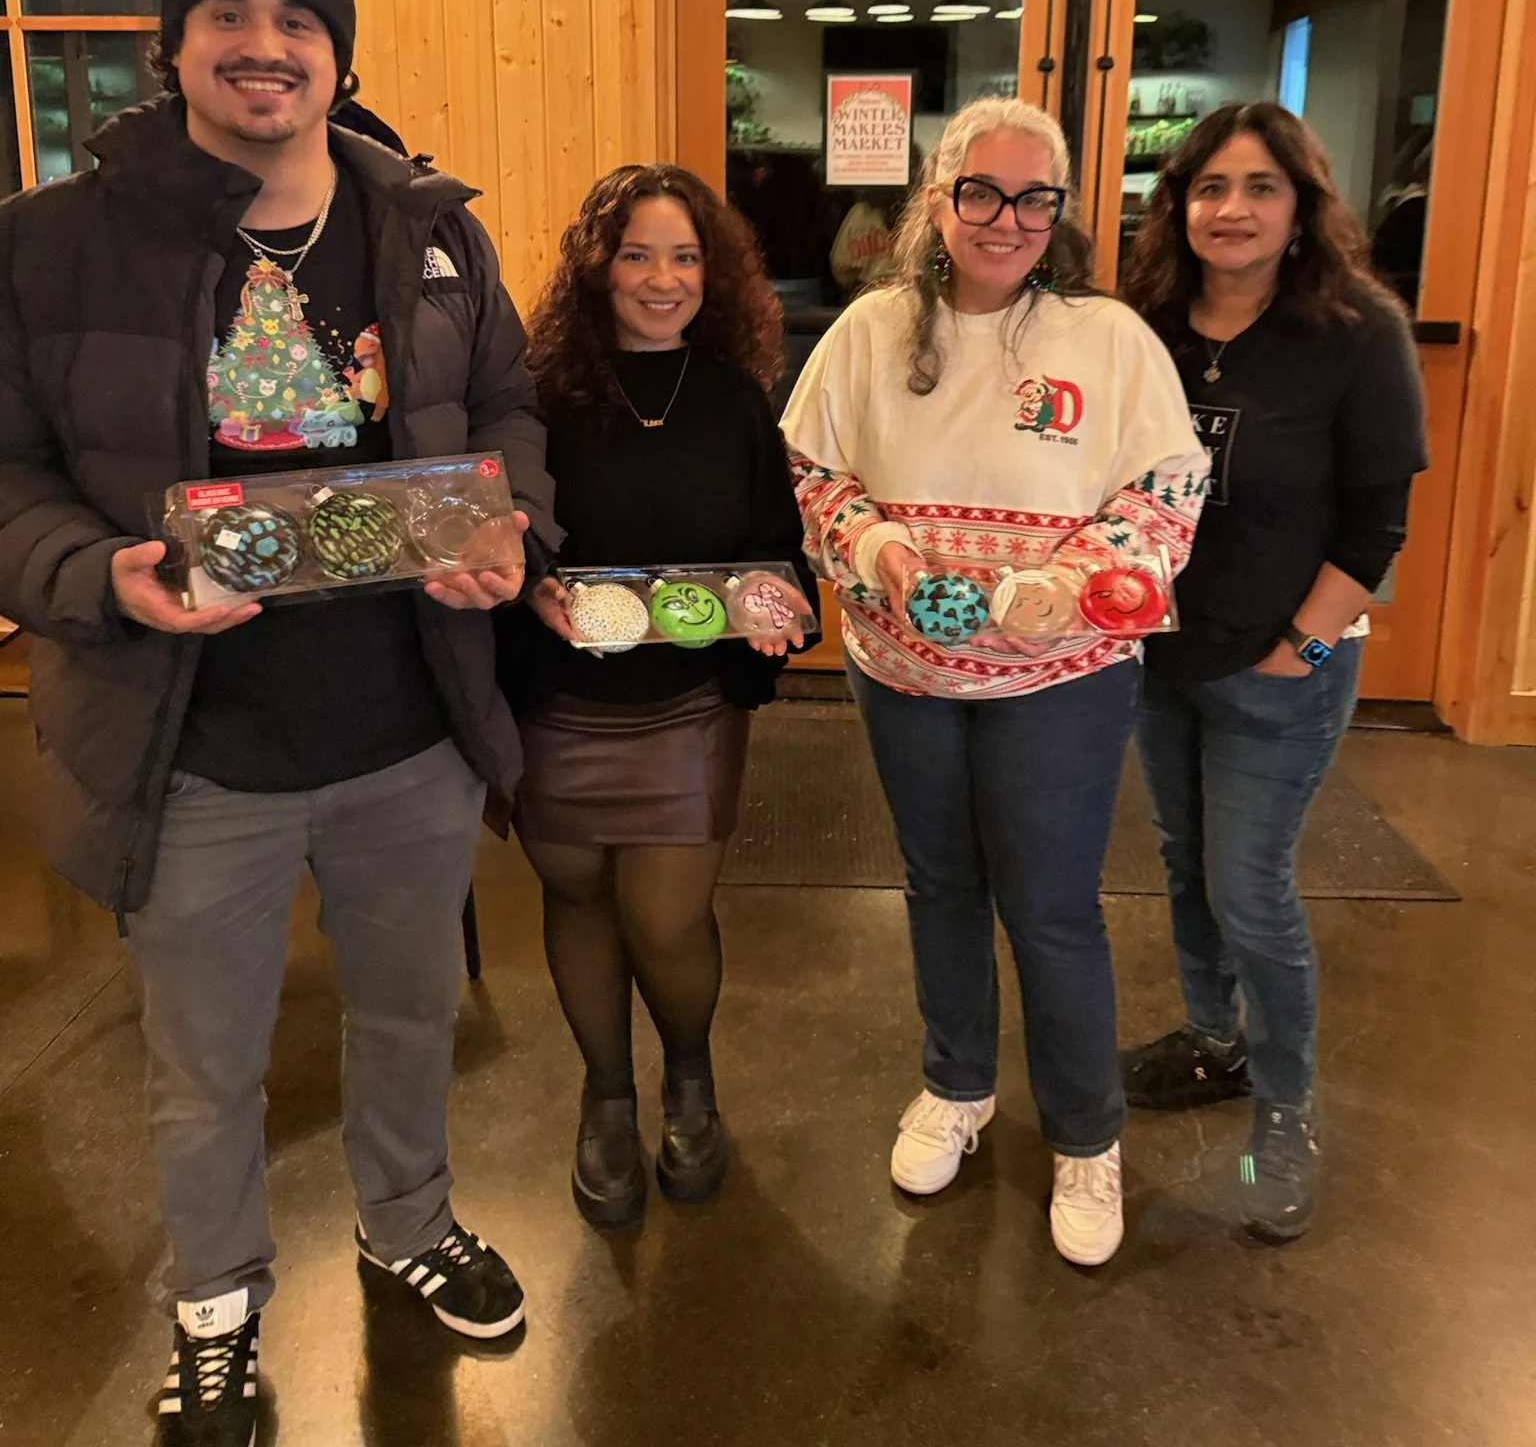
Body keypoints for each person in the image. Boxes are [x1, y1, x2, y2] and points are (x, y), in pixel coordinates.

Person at [0, 0, 560, 1447]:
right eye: (226, 16)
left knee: (406, 1013)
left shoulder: (430, 234)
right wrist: (95, 575)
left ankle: (405, 1220)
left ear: (338, 50)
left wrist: (512, 520)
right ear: (173, 48)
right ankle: (217, 1305)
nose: (263, 48)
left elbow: (510, 411)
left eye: (295, 20)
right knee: (203, 1065)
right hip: (186, 747)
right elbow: (5, 478)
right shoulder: (49, 245)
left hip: (408, 729)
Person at [780, 97, 1208, 1268]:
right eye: (982, 191)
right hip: (903, 668)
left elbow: (1166, 486)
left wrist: (1077, 580)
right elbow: (812, 465)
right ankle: (956, 1083)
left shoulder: (1107, 340)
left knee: (1053, 905)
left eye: (1033, 197)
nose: (1006, 217)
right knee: (939, 880)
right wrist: (875, 548)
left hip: (1060, 679)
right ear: (941, 197)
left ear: (1059, 212)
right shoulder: (870, 330)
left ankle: (1084, 1135)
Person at [1119, 101, 1428, 1242]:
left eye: (1259, 186)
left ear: (1300, 206)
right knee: (1186, 863)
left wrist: (1299, 646)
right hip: (1161, 657)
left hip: (1283, 664)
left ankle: (1287, 1115)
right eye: (1210, 187)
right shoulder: (1144, 323)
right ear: (1179, 204)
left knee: (1252, 884)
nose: (1232, 208)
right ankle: (1215, 1039)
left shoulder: (1357, 331)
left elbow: (1376, 526)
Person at [497, 165, 817, 1230]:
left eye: (685, 255)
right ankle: (606, 1092)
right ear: (597, 266)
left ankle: (688, 1072)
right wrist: (525, 584)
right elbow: (501, 535)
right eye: (638, 252)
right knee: (578, 892)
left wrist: (775, 597)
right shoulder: (538, 395)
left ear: (713, 274)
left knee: (666, 916)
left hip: (685, 698)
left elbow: (774, 544)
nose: (663, 277)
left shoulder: (731, 397)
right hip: (557, 699)